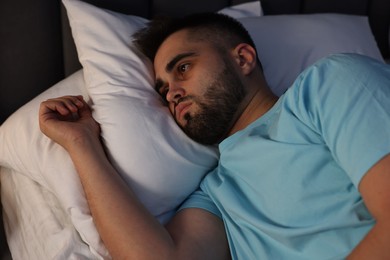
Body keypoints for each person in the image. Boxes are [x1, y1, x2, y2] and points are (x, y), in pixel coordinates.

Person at [38, 13, 390, 259]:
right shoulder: (217, 192)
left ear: (243, 58)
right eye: (163, 91)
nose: (172, 92)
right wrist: (82, 144)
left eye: (184, 68)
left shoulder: (329, 83)